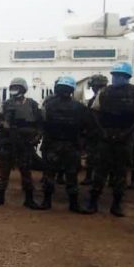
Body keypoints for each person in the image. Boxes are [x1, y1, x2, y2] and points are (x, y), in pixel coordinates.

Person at [84, 62, 134, 216]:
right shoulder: (105, 92)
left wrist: (129, 131)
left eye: (119, 76)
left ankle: (117, 204)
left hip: (125, 136)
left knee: (120, 172)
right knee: (100, 170)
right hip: (107, 135)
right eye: (114, 75)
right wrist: (102, 131)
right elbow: (95, 111)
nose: (116, 78)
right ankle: (93, 203)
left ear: (126, 77)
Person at [0, 77, 42, 209]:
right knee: (3, 173)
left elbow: (40, 124)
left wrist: (37, 136)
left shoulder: (32, 104)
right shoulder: (5, 104)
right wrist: (3, 124)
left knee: (26, 173)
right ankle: (0, 197)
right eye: (12, 88)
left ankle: (29, 199)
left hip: (25, 144)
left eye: (17, 88)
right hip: (8, 142)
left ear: (23, 89)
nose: (14, 90)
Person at [39, 76, 89, 212]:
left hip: (54, 145)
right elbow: (85, 128)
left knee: (50, 174)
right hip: (70, 145)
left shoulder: (48, 106)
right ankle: (73, 204)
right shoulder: (80, 107)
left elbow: (42, 125)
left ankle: (46, 202)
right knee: (71, 175)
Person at [80, 75, 108, 185]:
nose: (93, 88)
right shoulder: (93, 99)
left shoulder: (104, 99)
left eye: (94, 86)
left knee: (101, 157)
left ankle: (96, 178)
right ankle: (91, 177)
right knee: (92, 156)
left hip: (101, 132)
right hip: (95, 132)